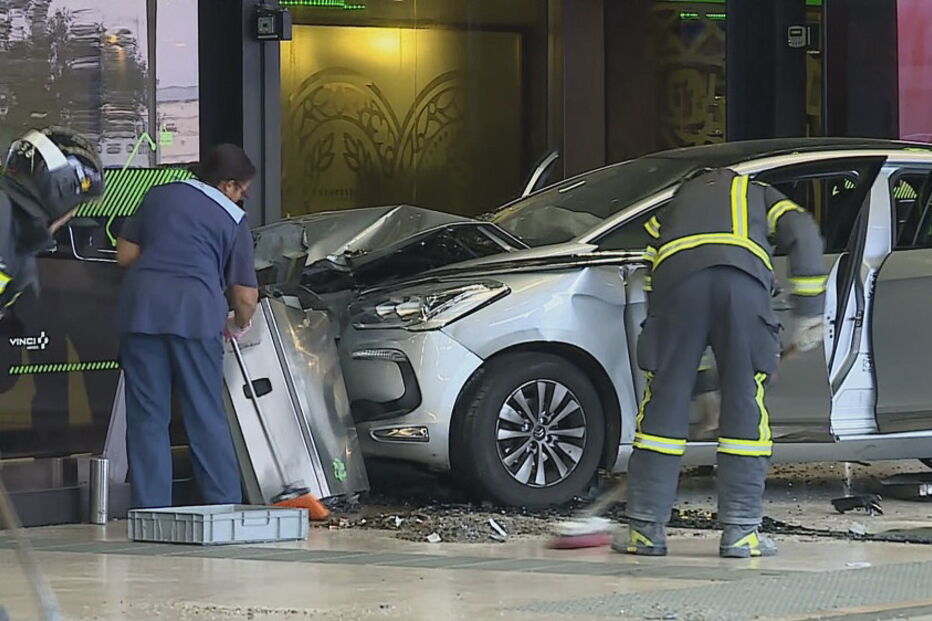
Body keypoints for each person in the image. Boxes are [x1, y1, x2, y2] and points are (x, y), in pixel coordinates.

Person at [618, 168, 826, 559]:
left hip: (676, 290)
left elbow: (653, 285)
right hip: (744, 286)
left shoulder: (672, 207)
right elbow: (803, 232)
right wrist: (809, 313)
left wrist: (697, 383)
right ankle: (741, 534)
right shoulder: (760, 194)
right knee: (745, 405)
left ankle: (645, 530)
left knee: (664, 403)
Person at [116, 144, 259, 509]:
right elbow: (245, 297)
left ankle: (151, 511)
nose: (243, 197)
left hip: (142, 312)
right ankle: (222, 505)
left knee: (147, 416)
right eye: (243, 189)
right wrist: (238, 326)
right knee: (203, 412)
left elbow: (125, 255)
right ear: (228, 185)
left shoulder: (160, 196)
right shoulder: (231, 218)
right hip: (195, 316)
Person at [0, 128, 103, 316]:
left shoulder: (20, 241)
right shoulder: (5, 223)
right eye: (77, 204)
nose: (72, 214)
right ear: (61, 190)